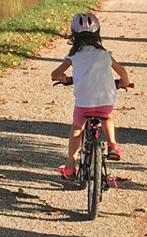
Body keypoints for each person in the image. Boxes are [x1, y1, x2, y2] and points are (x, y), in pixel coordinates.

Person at [50, 11, 133, 182]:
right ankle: (112, 145)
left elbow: (55, 74)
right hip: (105, 101)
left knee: (76, 129)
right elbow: (123, 72)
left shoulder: (74, 56)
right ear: (97, 34)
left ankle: (71, 168)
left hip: (83, 104)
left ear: (74, 36)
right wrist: (124, 83)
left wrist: (64, 78)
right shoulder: (105, 55)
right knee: (106, 117)